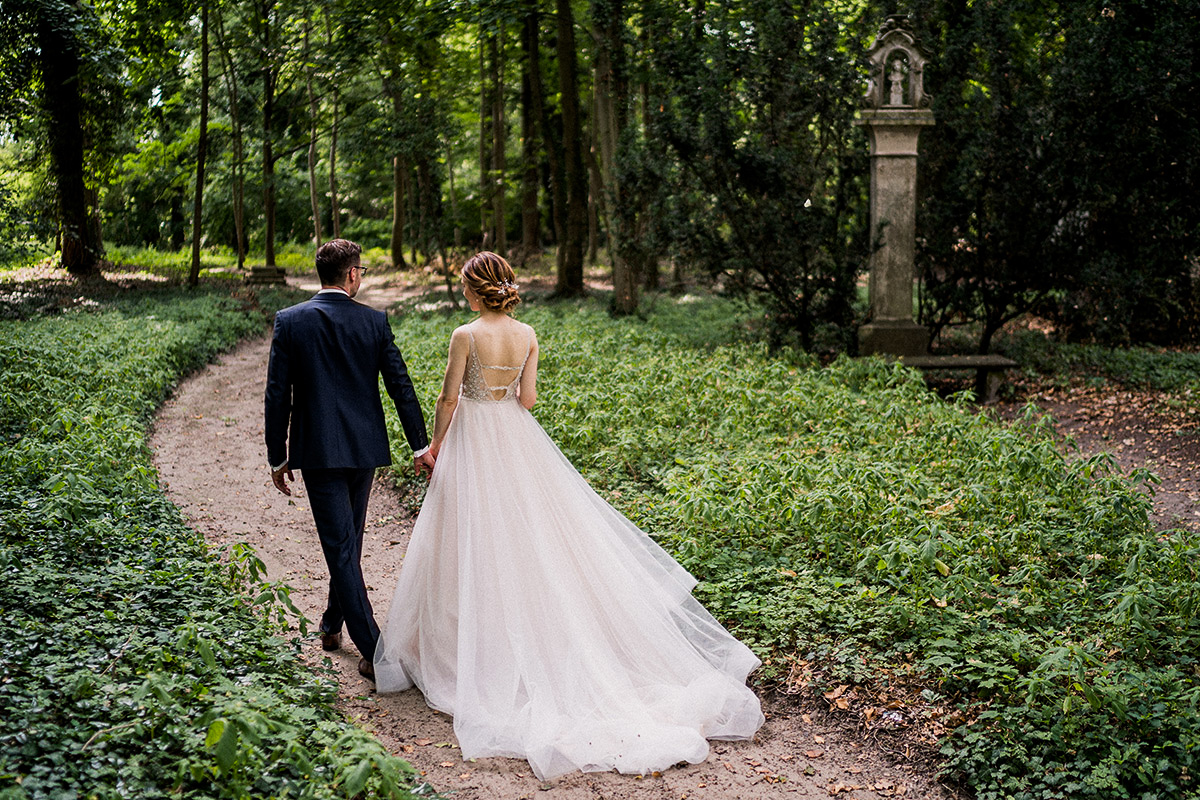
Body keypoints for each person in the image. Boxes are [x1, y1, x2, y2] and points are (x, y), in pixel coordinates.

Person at [374, 251, 764, 780]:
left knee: (470, 538)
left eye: (465, 285)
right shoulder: (528, 332)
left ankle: (467, 650)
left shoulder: (465, 334)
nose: (464, 293)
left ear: (473, 289)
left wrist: (433, 446)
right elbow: (528, 399)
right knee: (527, 538)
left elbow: (447, 398)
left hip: (474, 437)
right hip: (514, 436)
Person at [264, 238, 435, 682]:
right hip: (362, 451)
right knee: (346, 544)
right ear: (352, 275)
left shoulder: (290, 321)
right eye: (361, 271)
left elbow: (277, 395)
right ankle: (374, 651)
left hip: (317, 452)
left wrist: (278, 456)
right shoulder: (374, 322)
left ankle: (340, 629)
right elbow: (401, 384)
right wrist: (419, 445)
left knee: (345, 546)